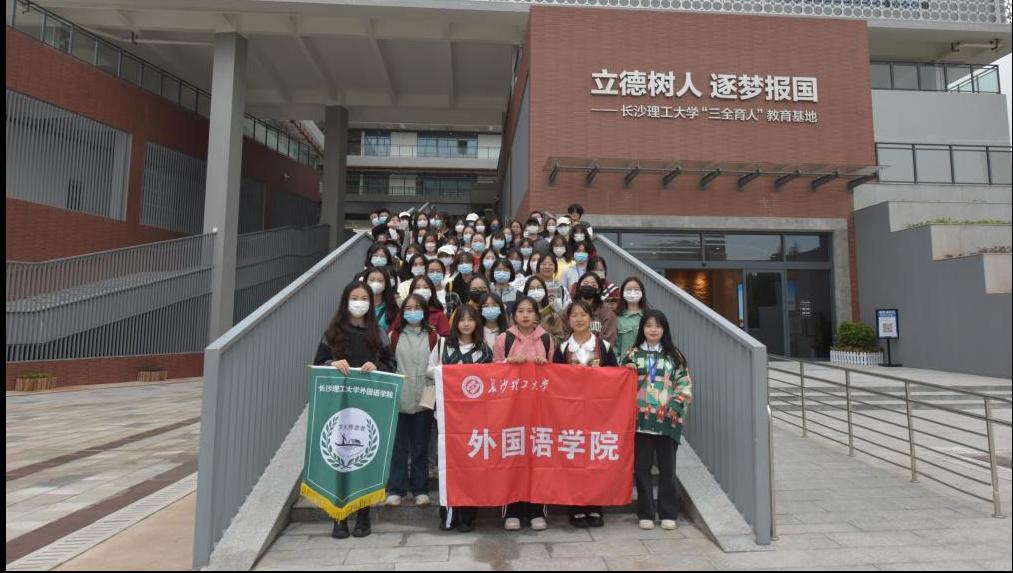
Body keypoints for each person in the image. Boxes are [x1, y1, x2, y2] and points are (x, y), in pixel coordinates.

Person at [314, 281, 396, 539]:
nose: (359, 302)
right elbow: (318, 363)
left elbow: (391, 365)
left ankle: (363, 515)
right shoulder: (331, 333)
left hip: (368, 405)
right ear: (345, 301)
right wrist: (332, 363)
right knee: (340, 459)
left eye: (364, 298)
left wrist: (378, 366)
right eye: (354, 297)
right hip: (338, 405)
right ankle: (339, 516)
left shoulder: (378, 333)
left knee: (364, 458)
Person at [620, 310, 693, 531]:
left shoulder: (674, 355)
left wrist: (677, 403)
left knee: (667, 469)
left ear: (664, 330)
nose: (653, 330)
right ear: (642, 328)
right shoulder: (632, 354)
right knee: (642, 469)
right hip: (640, 420)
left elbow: (684, 383)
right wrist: (626, 371)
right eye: (649, 325)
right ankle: (646, 513)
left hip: (667, 419)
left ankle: (668, 512)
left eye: (658, 326)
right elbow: (619, 383)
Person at [553, 300, 618, 528]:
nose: (579, 319)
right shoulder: (562, 349)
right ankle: (576, 508)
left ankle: (595, 507)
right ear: (568, 320)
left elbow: (615, 379)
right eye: (574, 315)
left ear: (591, 318)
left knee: (595, 460)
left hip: (597, 414)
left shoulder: (604, 347)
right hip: (569, 415)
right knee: (573, 459)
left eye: (583, 314)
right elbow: (555, 380)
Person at [428, 304, 493, 533]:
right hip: (446, 416)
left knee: (471, 466)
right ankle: (447, 513)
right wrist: (447, 372)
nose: (466, 323)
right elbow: (429, 369)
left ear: (477, 323)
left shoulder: (484, 350)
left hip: (473, 418)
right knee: (448, 465)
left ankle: (468, 515)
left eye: (471, 319)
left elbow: (490, 379)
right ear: (455, 323)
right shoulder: (443, 344)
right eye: (462, 319)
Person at [493, 296, 556, 531]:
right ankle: (512, 510)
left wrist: (544, 365)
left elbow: (554, 374)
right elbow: (493, 372)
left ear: (537, 315)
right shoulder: (504, 338)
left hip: (539, 409)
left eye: (530, 311)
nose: (526, 315)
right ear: (513, 315)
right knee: (512, 457)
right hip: (511, 409)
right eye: (521, 311)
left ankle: (537, 510)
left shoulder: (547, 339)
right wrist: (508, 362)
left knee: (538, 458)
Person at [386, 294, 440, 508]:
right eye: (408, 308)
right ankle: (396, 489)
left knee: (420, 446)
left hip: (424, 396)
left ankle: (420, 489)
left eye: (417, 307)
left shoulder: (433, 336)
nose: (412, 311)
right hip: (399, 396)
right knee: (399, 447)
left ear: (424, 310)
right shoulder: (394, 335)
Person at [570, 271, 618, 346]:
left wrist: (594, 348)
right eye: (585, 283)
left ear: (598, 290)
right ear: (579, 286)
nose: (589, 286)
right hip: (573, 350)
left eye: (593, 285)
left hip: (599, 351)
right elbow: (564, 333)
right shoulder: (570, 308)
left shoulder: (606, 310)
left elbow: (609, 336)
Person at [523, 276, 566, 345]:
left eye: (539, 288)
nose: (536, 291)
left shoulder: (553, 315)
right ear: (526, 292)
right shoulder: (519, 314)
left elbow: (560, 340)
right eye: (532, 288)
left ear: (545, 291)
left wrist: (543, 334)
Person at [616, 277, 649, 358]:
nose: (632, 292)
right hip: (624, 363)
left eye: (636, 289)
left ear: (642, 292)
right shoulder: (616, 318)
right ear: (622, 293)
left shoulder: (649, 316)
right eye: (628, 289)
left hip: (646, 362)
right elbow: (614, 346)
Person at [362, 267, 397, 332]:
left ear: (386, 283)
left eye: (380, 280)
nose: (375, 283)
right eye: (372, 280)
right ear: (366, 282)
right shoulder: (359, 305)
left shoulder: (392, 307)